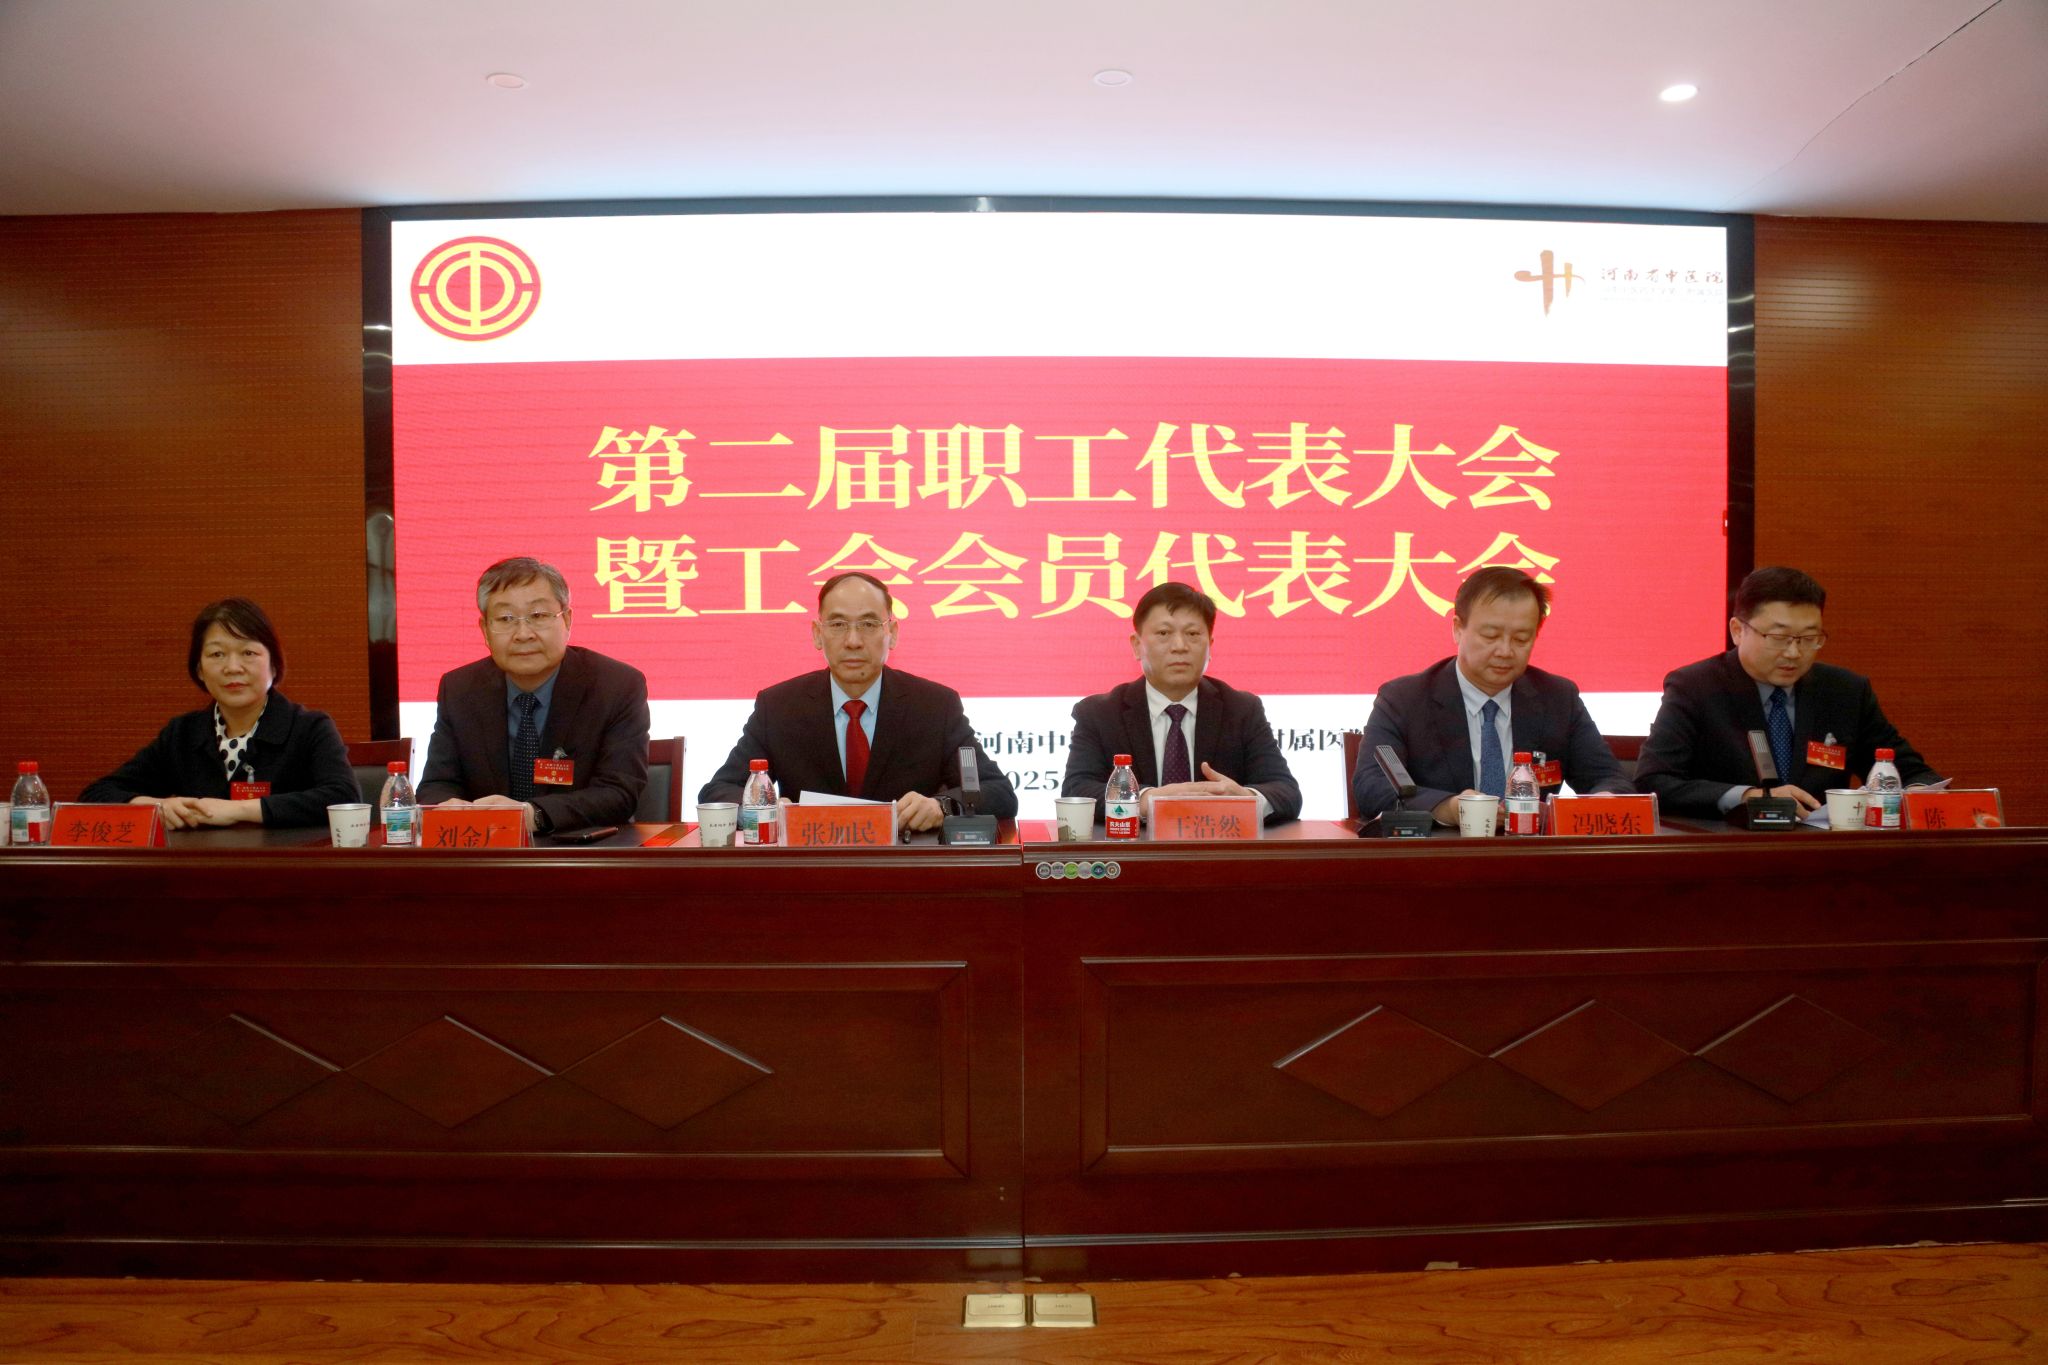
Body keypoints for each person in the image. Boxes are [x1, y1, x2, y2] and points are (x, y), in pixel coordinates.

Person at [700, 572, 1016, 831]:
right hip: (810, 874)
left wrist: (941, 807)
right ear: (817, 634)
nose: (853, 641)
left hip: (906, 874)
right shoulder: (780, 707)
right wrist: (762, 808)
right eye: (838, 625)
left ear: (892, 633)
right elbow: (718, 791)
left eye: (868, 624)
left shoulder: (935, 706)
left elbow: (998, 792)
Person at [1636, 565, 1939, 818]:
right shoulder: (1695, 687)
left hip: (1824, 854)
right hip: (1731, 851)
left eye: (1809, 638)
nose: (1794, 653)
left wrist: (1915, 794)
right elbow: (1654, 781)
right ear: (1738, 631)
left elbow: (1913, 772)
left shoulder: (1845, 691)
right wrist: (1748, 796)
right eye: (1779, 637)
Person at [1352, 566, 1630, 823]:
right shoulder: (1404, 700)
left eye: (1521, 639)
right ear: (1458, 629)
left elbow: (1611, 778)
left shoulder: (1557, 698)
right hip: (1442, 853)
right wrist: (1449, 808)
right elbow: (1371, 785)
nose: (1505, 651)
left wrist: (1604, 799)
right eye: (1490, 636)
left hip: (1532, 853)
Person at [417, 557, 649, 834]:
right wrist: (448, 807)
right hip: (488, 851)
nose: (523, 634)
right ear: (485, 630)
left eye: (538, 616)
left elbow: (619, 793)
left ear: (567, 620)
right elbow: (436, 785)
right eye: (506, 619)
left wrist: (533, 815)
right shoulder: (460, 689)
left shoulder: (616, 686)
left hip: (583, 851)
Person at [80, 598, 357, 828]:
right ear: (199, 670)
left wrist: (239, 810)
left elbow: (344, 798)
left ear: (273, 665)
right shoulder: (182, 734)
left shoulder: (309, 727)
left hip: (284, 870)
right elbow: (96, 794)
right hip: (202, 871)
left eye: (248, 653)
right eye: (217, 655)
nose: (233, 667)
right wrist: (154, 806)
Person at [1061, 582, 1301, 825]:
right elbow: (1076, 790)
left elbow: (1285, 791)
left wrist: (1245, 799)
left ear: (1210, 646)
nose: (1180, 646)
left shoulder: (1241, 709)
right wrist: (1147, 800)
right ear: (1136, 645)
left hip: (1215, 846)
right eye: (1164, 633)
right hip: (1135, 848)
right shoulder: (1099, 713)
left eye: (1193, 634)